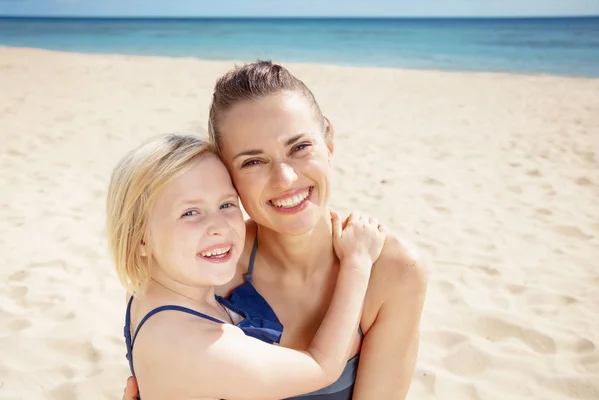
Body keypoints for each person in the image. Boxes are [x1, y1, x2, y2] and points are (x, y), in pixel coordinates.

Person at [123, 61, 430, 399]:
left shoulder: (392, 270)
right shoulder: (200, 265)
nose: (285, 179)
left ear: (328, 146)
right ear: (227, 175)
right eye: (253, 161)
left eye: (300, 148)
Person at [107, 134, 386, 399]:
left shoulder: (143, 291)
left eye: (227, 204)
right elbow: (321, 366)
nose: (220, 226)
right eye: (190, 212)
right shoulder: (197, 345)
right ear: (139, 238)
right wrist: (357, 263)